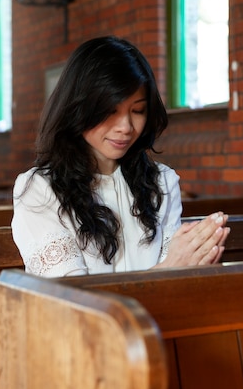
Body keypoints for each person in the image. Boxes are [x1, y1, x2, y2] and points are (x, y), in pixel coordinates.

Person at [12, 35, 230, 277]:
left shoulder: (162, 182)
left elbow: (177, 278)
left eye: (137, 110)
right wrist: (169, 269)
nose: (125, 127)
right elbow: (71, 299)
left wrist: (195, 257)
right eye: (110, 111)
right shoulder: (40, 189)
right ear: (79, 107)